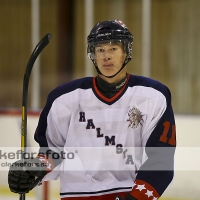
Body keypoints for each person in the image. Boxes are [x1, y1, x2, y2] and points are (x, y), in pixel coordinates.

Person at [8, 19, 176, 200]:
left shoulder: (152, 96)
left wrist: (135, 198)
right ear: (93, 54)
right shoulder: (63, 99)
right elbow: (52, 152)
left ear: (126, 51)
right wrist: (33, 171)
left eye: (113, 49)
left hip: (126, 194)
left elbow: (161, 160)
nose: (106, 56)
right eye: (100, 50)